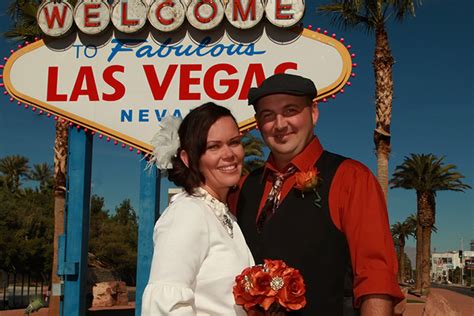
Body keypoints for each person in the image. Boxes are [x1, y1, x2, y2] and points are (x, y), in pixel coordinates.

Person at [233, 73, 404, 315]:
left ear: (313, 113)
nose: (280, 125)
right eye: (268, 115)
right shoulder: (244, 188)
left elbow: (375, 277)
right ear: (258, 124)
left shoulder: (351, 178)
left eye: (290, 110)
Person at [142, 102, 254, 315]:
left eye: (234, 142)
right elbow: (164, 307)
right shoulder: (187, 214)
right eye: (213, 146)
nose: (229, 154)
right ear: (188, 159)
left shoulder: (221, 214)